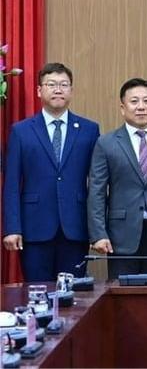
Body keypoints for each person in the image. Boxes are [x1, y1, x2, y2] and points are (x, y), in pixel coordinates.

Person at [2, 62, 100, 281]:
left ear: (71, 91)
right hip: (34, 228)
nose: (58, 89)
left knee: (73, 296)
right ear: (39, 90)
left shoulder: (89, 129)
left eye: (64, 84)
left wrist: (97, 231)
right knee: (37, 295)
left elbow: (97, 183)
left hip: (75, 227)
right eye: (51, 84)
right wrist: (12, 228)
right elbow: (11, 184)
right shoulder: (21, 131)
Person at [87, 78, 147, 279]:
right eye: (134, 101)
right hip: (121, 234)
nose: (141, 107)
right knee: (122, 298)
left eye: (146, 101)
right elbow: (97, 191)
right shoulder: (106, 143)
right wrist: (98, 234)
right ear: (123, 107)